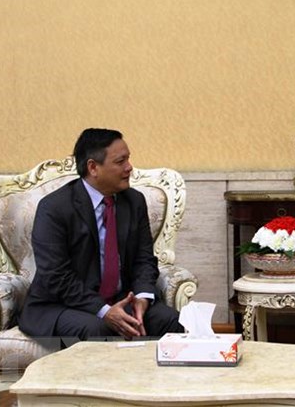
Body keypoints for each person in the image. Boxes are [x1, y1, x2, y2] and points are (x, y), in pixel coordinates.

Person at [19, 128, 183, 343]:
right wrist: (104, 310)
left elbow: (144, 259)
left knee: (170, 321)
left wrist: (142, 297)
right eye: (120, 161)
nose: (129, 167)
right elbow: (56, 276)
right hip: (62, 305)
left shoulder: (134, 201)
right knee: (98, 329)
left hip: (121, 300)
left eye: (128, 159)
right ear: (93, 167)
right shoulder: (54, 208)